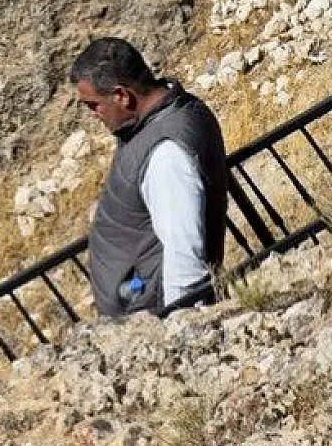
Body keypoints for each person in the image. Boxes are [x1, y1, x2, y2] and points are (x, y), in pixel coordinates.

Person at [71, 37, 228, 317]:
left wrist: (183, 322)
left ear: (122, 95)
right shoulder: (161, 121)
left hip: (157, 315)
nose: (94, 114)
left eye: (93, 105)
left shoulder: (166, 155)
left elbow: (184, 252)